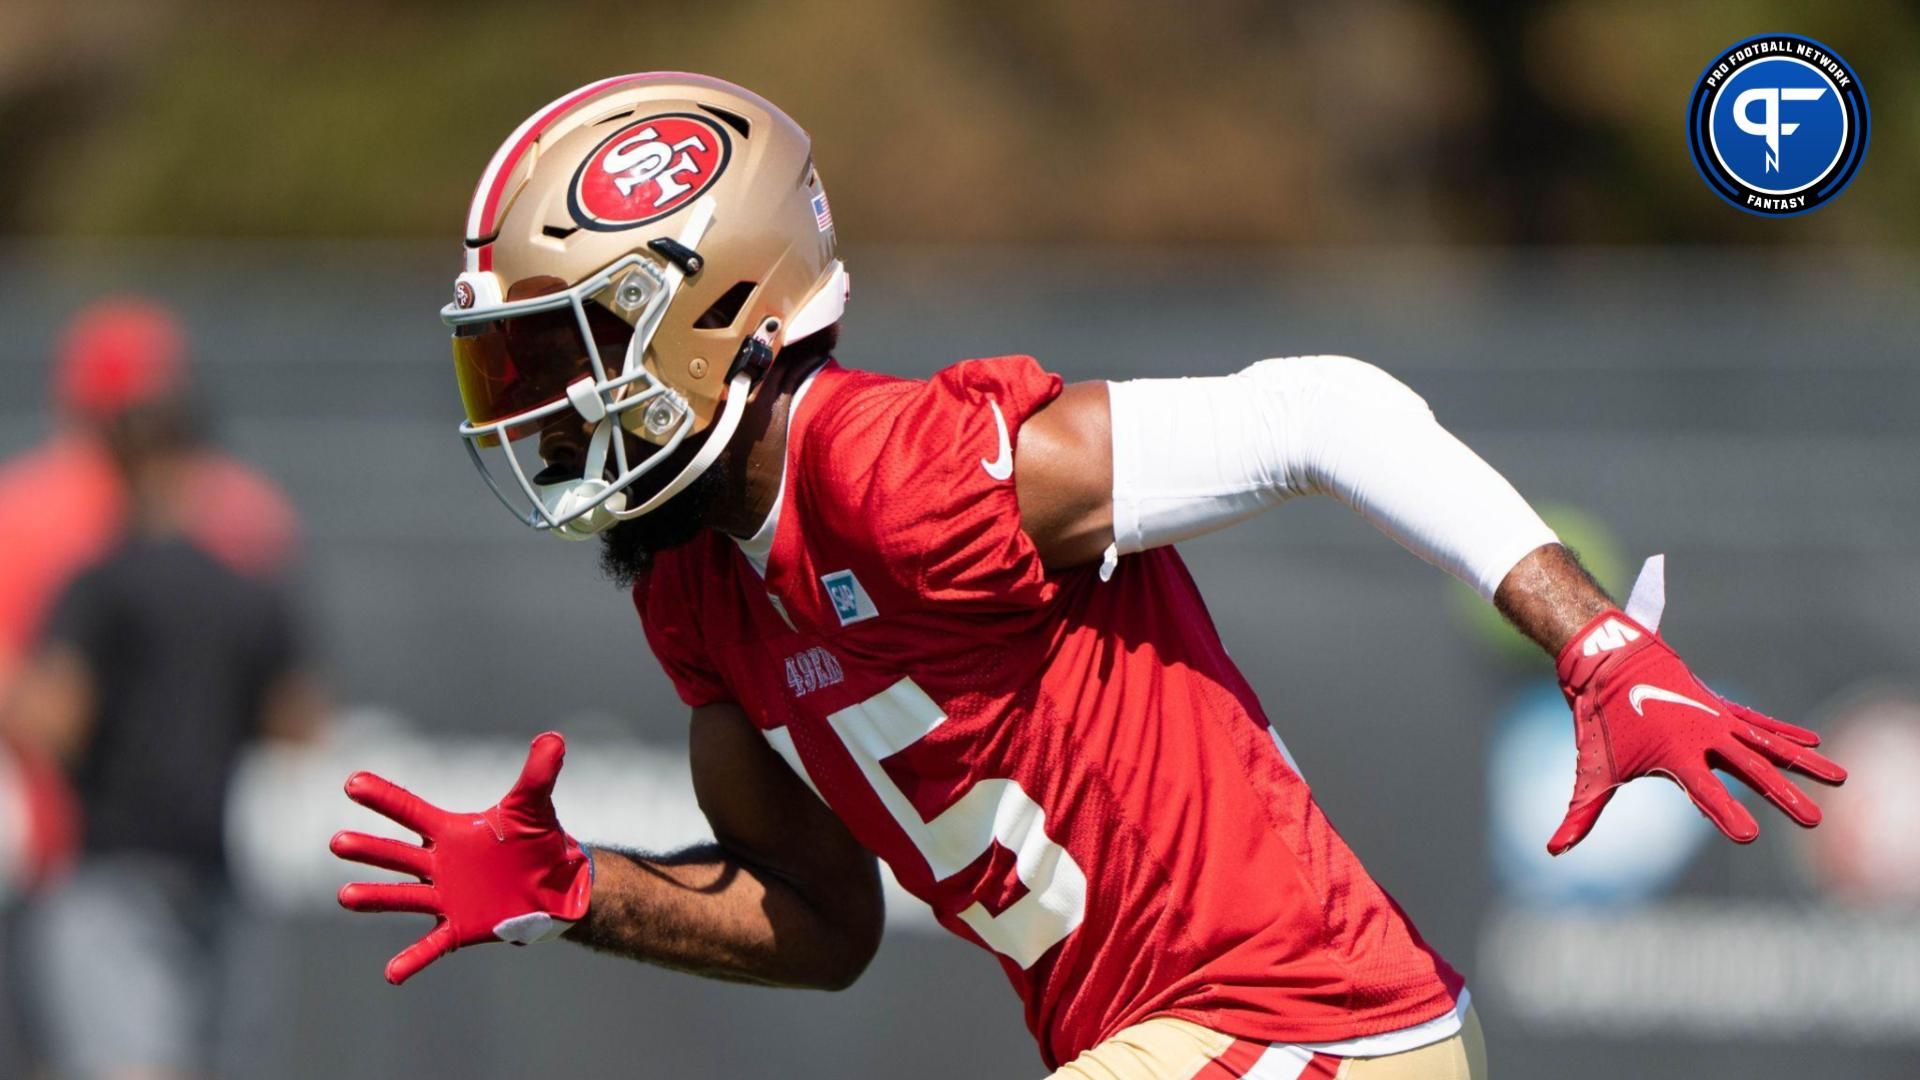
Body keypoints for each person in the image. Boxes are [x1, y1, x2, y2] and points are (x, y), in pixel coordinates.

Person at [330, 74, 1846, 1079]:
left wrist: (1588, 641)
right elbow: (825, 922)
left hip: (1309, 1033)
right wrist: (580, 890)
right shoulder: (696, 601)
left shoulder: (904, 472)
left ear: (715, 306)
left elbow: (1323, 406)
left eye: (564, 348)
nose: (535, 402)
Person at [4, 336, 322, 1080]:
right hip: (216, 876)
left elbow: (56, 721)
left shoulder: (99, 583)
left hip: (111, 880)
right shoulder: (249, 587)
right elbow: (299, 724)